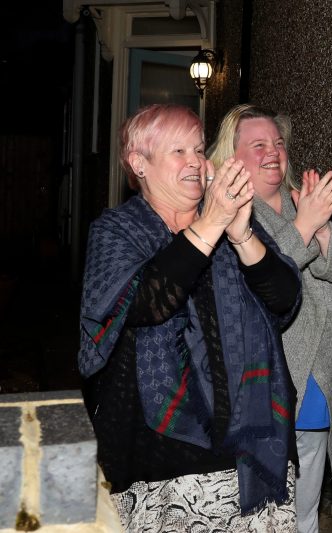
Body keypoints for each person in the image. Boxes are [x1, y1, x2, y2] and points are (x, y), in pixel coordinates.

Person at [78, 104, 300, 531]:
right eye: (178, 151)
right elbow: (148, 302)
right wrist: (213, 223)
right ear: (139, 164)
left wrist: (241, 235)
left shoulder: (230, 224)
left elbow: (285, 298)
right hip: (159, 450)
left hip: (248, 445)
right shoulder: (117, 230)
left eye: (198, 150)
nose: (196, 162)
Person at [208, 104, 332, 533]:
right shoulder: (227, 215)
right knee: (259, 517)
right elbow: (263, 283)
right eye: (258, 145)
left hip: (317, 385)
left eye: (278, 142)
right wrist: (307, 225)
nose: (273, 151)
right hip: (262, 388)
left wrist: (321, 225)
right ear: (232, 157)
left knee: (305, 515)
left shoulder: (306, 200)